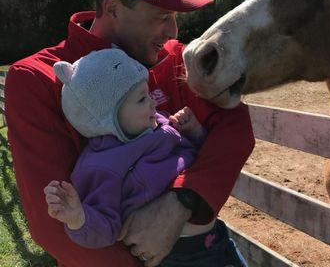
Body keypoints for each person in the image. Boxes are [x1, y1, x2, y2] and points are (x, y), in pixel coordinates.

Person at [5, 0, 255, 267]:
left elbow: (234, 126)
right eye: (162, 15)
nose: (173, 30)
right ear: (113, 8)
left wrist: (183, 199)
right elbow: (52, 225)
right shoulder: (37, 78)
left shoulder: (175, 59)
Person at [43, 48, 247, 266]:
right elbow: (107, 227)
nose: (153, 103)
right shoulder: (101, 165)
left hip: (214, 237)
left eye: (148, 94)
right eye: (141, 99)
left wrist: (194, 132)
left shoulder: (160, 123)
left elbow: (195, 156)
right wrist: (78, 218)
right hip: (175, 256)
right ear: (106, 117)